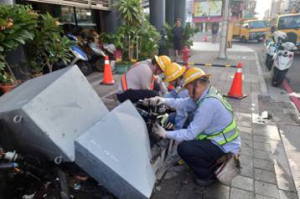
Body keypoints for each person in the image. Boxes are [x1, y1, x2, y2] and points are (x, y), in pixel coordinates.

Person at [148, 67, 241, 186]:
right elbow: (182, 103)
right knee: (185, 135)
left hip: (224, 147)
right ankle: (209, 161)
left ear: (197, 85)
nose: (187, 92)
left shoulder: (208, 105)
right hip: (222, 140)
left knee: (184, 148)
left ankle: (207, 176)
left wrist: (165, 134)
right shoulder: (207, 93)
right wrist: (162, 100)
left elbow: (190, 134)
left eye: (188, 88)